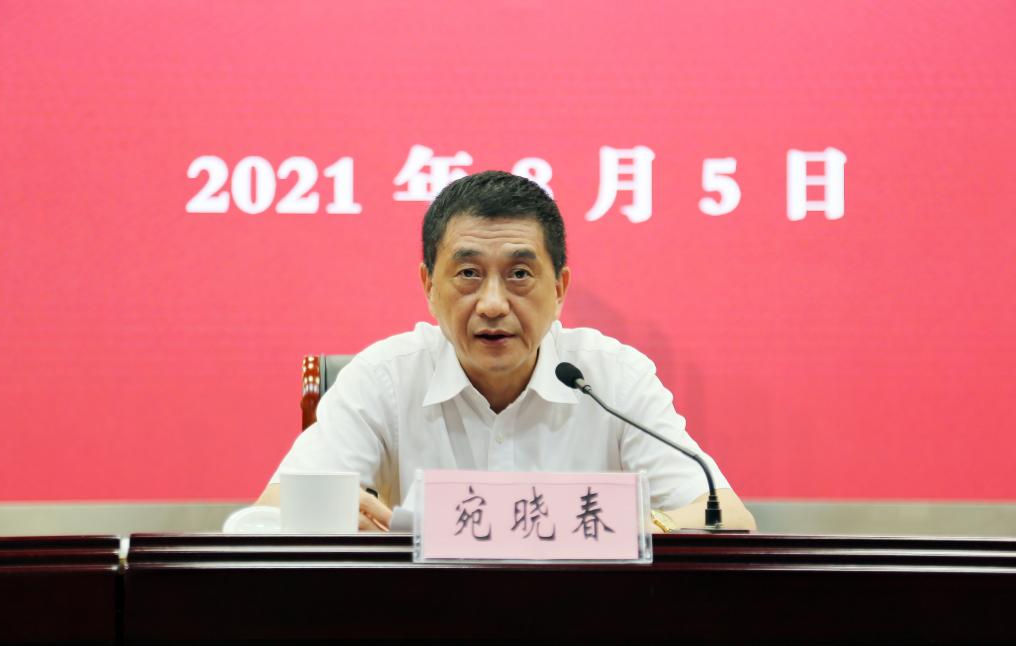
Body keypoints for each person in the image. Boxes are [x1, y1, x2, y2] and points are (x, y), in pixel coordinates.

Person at [257, 171, 755, 532]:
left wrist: (632, 528)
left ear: (559, 289)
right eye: (468, 274)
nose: (493, 304)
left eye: (519, 274)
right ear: (428, 286)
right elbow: (266, 516)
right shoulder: (385, 377)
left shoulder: (612, 378)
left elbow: (728, 517)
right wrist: (331, 516)